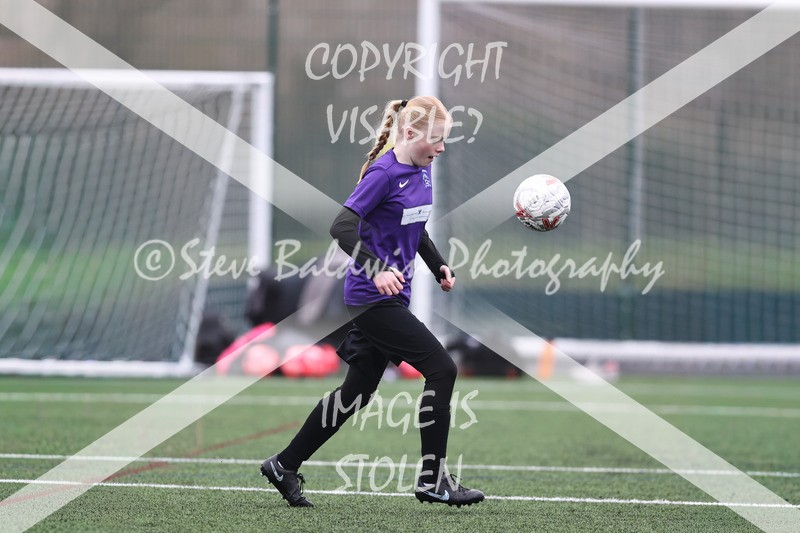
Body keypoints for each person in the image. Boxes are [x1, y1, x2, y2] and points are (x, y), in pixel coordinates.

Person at [261, 96, 485, 508]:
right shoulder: (383, 173)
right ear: (410, 132)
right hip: (370, 298)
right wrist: (377, 267)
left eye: (444, 141)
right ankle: (433, 480)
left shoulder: (424, 168)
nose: (440, 148)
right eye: (435, 140)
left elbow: (414, 227)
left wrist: (438, 267)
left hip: (393, 298)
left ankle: (284, 465)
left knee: (355, 394)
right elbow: (341, 226)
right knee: (442, 369)